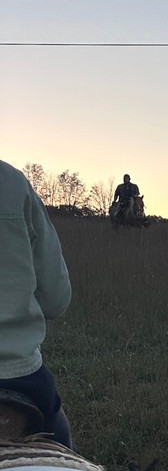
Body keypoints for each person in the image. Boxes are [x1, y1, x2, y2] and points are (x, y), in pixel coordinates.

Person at [0, 159, 73, 449]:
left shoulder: (128, 189)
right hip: (19, 375)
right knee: (68, 454)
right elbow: (56, 301)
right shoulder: (15, 184)